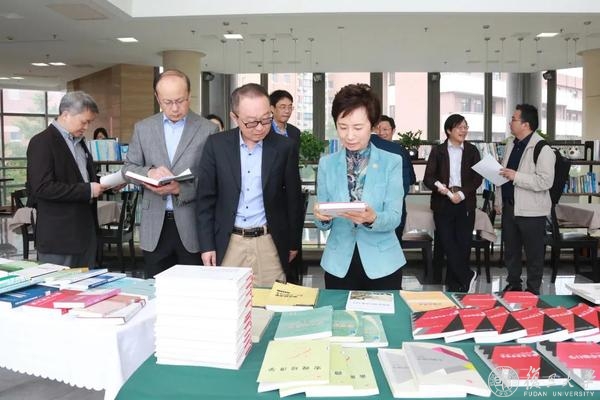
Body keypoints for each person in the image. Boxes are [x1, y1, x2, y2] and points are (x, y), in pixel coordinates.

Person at [197, 83, 302, 287]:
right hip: (229, 242)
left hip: (269, 242)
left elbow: (293, 200)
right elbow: (205, 200)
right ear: (234, 117)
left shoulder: (284, 147)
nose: (260, 127)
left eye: (266, 119)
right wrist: (206, 245)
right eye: (252, 122)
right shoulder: (216, 145)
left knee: (270, 301)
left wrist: (293, 242)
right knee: (228, 300)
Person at [122, 69, 217, 278]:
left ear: (189, 94)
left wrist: (180, 189)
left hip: (191, 225)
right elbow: (128, 169)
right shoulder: (143, 128)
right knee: (156, 289)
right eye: (167, 102)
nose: (174, 108)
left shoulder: (207, 129)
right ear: (158, 98)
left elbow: (212, 181)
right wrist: (150, 172)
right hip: (154, 226)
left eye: (180, 101)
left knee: (192, 289)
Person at [313, 83, 406, 290]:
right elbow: (322, 220)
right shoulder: (327, 164)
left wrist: (372, 218)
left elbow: (394, 217)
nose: (349, 135)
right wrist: (322, 217)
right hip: (339, 263)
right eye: (342, 127)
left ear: (372, 126)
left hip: (382, 263)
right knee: (339, 312)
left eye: (357, 128)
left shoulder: (391, 162)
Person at [27, 91, 106, 267]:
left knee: (87, 284)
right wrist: (88, 190)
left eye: (89, 122)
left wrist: (104, 184)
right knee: (59, 284)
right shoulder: (42, 142)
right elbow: (42, 188)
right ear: (65, 114)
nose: (86, 127)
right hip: (59, 238)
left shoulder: (80, 143)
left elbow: (79, 177)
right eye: (84, 122)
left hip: (85, 235)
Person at [496, 104, 555, 295]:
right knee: (511, 251)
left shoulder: (542, 148)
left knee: (534, 253)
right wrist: (498, 201)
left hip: (532, 211)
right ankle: (513, 284)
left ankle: (532, 290)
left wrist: (516, 176)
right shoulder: (512, 144)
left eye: (513, 119)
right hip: (510, 207)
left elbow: (545, 181)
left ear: (526, 124)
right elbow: (504, 174)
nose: (510, 122)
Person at [423, 114, 482, 293]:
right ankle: (467, 275)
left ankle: (456, 285)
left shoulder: (472, 150)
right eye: (459, 127)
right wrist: (443, 189)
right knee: (447, 242)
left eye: (465, 127)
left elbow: (477, 178)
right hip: (443, 202)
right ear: (449, 130)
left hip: (465, 202)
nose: (463, 131)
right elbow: (428, 178)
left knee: (463, 244)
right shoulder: (438, 151)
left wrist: (462, 194)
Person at [269, 89, 305, 284]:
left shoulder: (294, 132)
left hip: (289, 189)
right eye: (282, 107)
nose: (287, 111)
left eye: (290, 107)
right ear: (272, 109)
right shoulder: (265, 130)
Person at [370, 115, 416, 236]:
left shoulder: (368, 145)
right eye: (378, 129)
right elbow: (411, 179)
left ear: (393, 130)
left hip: (374, 208)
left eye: (385, 129)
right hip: (395, 207)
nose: (381, 133)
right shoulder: (400, 150)